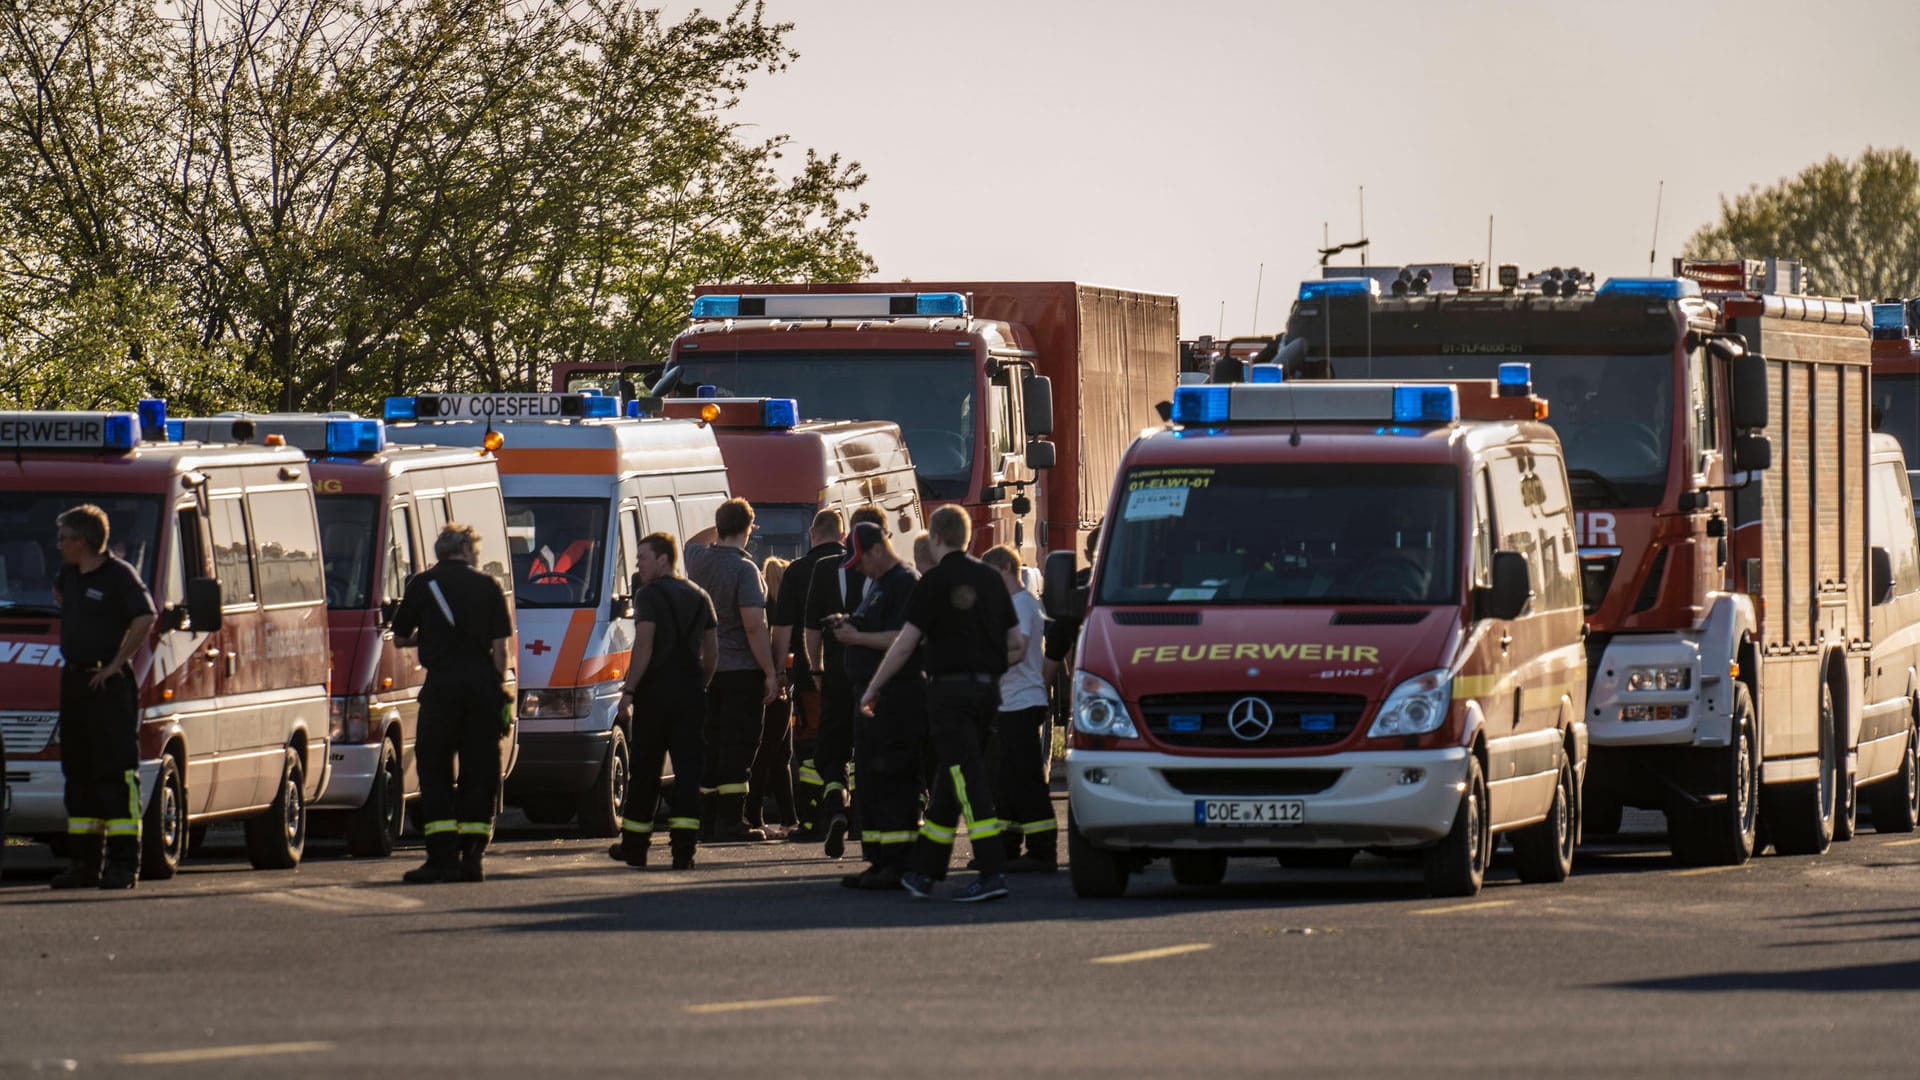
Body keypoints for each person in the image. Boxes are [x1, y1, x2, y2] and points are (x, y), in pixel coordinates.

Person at [863, 506, 1024, 903]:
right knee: (949, 779)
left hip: (947, 695)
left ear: (935, 538)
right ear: (967, 537)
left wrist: (874, 687)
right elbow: (1018, 644)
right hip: (988, 692)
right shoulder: (990, 578)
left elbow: (905, 644)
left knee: (967, 780)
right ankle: (924, 871)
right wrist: (986, 667)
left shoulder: (932, 583)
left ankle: (992, 870)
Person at [393, 523, 514, 884]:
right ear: (462, 547)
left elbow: (400, 637)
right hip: (482, 691)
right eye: (475, 547)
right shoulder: (489, 585)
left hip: (442, 690)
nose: (477, 553)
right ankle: (474, 856)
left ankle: (441, 858)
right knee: (480, 771)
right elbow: (500, 649)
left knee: (434, 771)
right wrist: (498, 689)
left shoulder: (422, 584)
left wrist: (428, 637)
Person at [49, 505, 156, 890]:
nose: (58, 545)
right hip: (75, 681)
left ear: (83, 541)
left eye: (63, 538)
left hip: (107, 686)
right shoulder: (70, 574)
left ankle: (123, 865)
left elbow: (145, 617)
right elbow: (62, 599)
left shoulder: (119, 576)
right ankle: (84, 863)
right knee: (78, 774)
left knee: (115, 774)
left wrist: (115, 664)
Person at [610, 532, 717, 870]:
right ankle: (683, 850)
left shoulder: (649, 596)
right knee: (688, 773)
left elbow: (643, 646)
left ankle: (635, 847)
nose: (638, 564)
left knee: (645, 772)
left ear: (663, 559)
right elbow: (712, 653)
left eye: (643, 557)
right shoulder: (700, 596)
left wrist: (628, 692)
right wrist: (701, 683)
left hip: (655, 695)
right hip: (691, 694)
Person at [832, 521, 924, 889]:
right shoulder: (880, 586)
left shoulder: (904, 582)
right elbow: (873, 627)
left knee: (894, 779)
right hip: (871, 696)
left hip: (896, 697)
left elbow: (904, 638)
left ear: (877, 550)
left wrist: (858, 637)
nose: (858, 569)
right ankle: (878, 859)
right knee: (870, 779)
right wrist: (849, 624)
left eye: (860, 561)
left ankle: (898, 862)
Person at [684, 498, 780, 841]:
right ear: (749, 529)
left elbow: (692, 539)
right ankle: (730, 820)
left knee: (710, 744)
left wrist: (722, 526)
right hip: (741, 670)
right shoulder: (745, 570)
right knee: (738, 746)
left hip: (705, 669)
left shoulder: (697, 559)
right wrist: (770, 670)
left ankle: (707, 820)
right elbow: (753, 625)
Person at [801, 505, 887, 856]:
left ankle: (836, 804)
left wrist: (817, 670)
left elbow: (811, 630)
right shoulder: (886, 572)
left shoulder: (825, 569)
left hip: (837, 673)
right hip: (876, 674)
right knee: (871, 748)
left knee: (831, 750)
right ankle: (865, 821)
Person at [982, 545, 1056, 872]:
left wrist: (983, 665)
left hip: (1023, 702)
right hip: (1009, 702)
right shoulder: (1011, 605)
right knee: (1006, 779)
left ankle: (1042, 851)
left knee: (1026, 780)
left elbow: (1019, 648)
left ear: (1005, 571)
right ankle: (1007, 847)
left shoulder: (1022, 604)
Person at [774, 510, 846, 841]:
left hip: (809, 673)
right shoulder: (853, 567)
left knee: (810, 744)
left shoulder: (798, 571)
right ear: (842, 535)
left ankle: (814, 817)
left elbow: (785, 626)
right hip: (853, 670)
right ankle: (855, 814)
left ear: (812, 533)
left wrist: (778, 671)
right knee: (852, 744)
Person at [746, 556, 796, 837]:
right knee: (776, 755)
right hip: (782, 687)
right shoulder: (785, 610)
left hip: (767, 683)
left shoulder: (765, 608)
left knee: (773, 754)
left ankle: (786, 817)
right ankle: (765, 817)